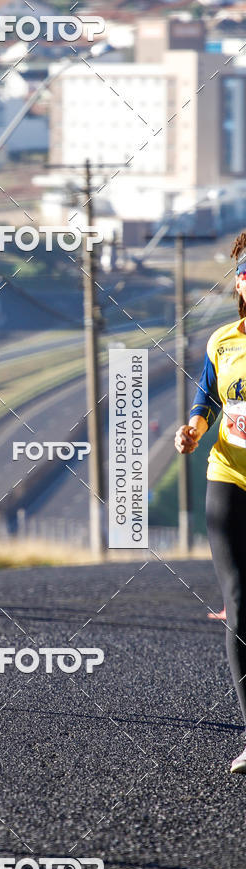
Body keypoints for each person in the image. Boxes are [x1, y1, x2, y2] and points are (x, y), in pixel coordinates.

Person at [175, 231, 246, 774]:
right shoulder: (223, 340)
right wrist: (194, 429)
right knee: (239, 602)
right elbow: (207, 397)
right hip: (228, 476)